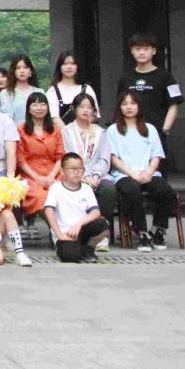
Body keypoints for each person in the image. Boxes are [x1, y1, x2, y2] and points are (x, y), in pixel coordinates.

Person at [106, 91, 177, 252]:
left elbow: (157, 155)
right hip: (124, 174)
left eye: (133, 103)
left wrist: (149, 172)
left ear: (139, 106)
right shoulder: (113, 130)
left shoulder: (150, 129)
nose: (129, 107)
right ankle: (142, 232)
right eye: (125, 104)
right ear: (119, 107)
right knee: (131, 191)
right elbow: (113, 158)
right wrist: (131, 173)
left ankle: (158, 230)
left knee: (165, 191)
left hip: (148, 174)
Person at [115, 32, 183, 171]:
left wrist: (165, 128)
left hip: (155, 131)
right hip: (129, 132)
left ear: (154, 51)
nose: (141, 52)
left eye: (146, 48)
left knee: (156, 171)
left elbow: (174, 104)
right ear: (132, 51)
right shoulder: (125, 78)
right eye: (138, 49)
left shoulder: (166, 77)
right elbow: (119, 105)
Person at [61, 93, 115, 251]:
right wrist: (84, 176)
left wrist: (96, 175)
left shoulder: (100, 132)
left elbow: (104, 157)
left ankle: (102, 233)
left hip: (98, 175)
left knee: (109, 189)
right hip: (74, 174)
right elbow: (66, 155)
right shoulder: (66, 132)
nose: (86, 110)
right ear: (74, 109)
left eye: (89, 107)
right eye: (82, 107)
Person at [44, 153, 110, 263]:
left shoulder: (86, 188)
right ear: (62, 171)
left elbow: (95, 211)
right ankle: (79, 250)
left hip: (82, 229)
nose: (77, 172)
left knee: (103, 225)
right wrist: (60, 235)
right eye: (72, 169)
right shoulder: (56, 188)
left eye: (80, 169)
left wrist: (78, 224)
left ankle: (88, 249)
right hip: (65, 233)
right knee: (70, 256)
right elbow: (48, 210)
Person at [17, 92, 65, 224]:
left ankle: (61, 228)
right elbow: (21, 160)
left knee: (61, 193)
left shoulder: (55, 129)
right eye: (35, 104)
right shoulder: (21, 130)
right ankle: (56, 229)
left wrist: (52, 176)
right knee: (41, 196)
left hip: (54, 172)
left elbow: (60, 156)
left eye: (43, 104)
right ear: (28, 109)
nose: (39, 108)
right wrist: (37, 177)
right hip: (30, 174)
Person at [45, 51, 100, 129]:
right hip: (61, 133)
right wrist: (70, 133)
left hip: (86, 132)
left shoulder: (87, 89)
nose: (69, 67)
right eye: (65, 64)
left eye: (72, 63)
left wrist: (82, 131)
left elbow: (94, 115)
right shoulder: (52, 91)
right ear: (59, 67)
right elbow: (54, 117)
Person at [0, 55, 38, 124]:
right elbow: (7, 117)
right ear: (14, 71)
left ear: (30, 71)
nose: (22, 71)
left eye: (25, 67)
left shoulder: (39, 92)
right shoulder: (6, 93)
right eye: (18, 68)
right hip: (13, 129)